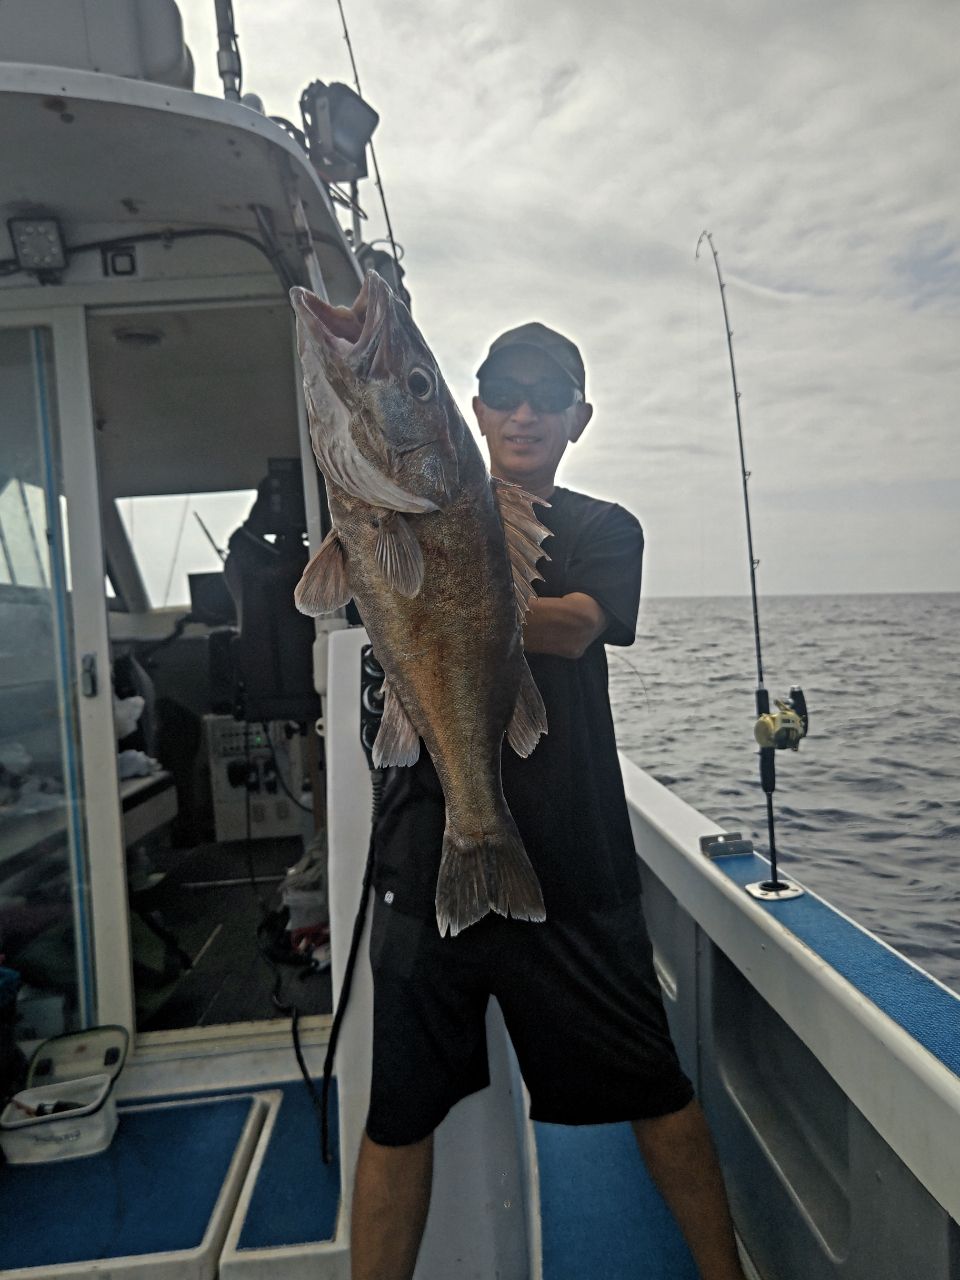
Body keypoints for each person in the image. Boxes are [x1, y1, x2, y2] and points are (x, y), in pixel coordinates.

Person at [351, 322, 747, 1280]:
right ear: (474, 411)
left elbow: (572, 630)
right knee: (397, 1113)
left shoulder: (605, 528)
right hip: (422, 851)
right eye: (503, 391)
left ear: (579, 417)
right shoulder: (392, 517)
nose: (524, 409)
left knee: (655, 1085)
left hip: (570, 863)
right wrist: (395, 540)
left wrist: (435, 573)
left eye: (547, 394)